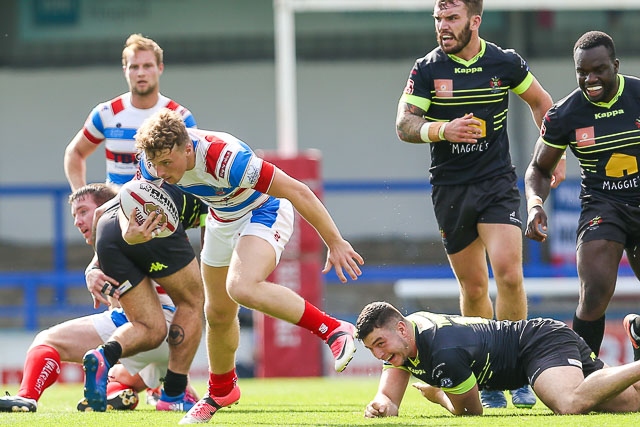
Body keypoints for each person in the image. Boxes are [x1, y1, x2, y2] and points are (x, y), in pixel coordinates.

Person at [133, 108, 364, 424]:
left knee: (241, 287)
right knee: (217, 313)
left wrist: (335, 242)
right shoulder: (151, 162)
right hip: (220, 219)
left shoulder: (227, 158)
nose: (160, 172)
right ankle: (221, 391)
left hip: (262, 211)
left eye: (167, 163)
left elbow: (297, 190)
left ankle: (333, 329)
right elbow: (130, 208)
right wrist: (130, 234)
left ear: (187, 147)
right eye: (155, 164)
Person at [394, 0, 562, 408]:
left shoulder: (504, 62)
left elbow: (544, 104)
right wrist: (442, 129)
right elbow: (404, 124)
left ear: (475, 20)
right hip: (450, 189)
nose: (442, 27)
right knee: (473, 287)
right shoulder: (428, 68)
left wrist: (550, 157)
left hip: (496, 183)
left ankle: (519, 369)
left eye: (451, 19)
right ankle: (486, 375)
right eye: (438, 19)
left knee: (508, 273)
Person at [0, 184, 200, 412]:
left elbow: (75, 154)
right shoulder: (141, 228)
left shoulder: (118, 236)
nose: (77, 221)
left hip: (146, 329)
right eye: (74, 215)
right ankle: (125, 392)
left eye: (83, 211)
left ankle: (27, 396)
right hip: (179, 338)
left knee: (47, 340)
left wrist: (93, 270)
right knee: (120, 375)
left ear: (103, 209)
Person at [524, 30, 640, 361]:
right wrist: (535, 205)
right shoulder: (565, 114)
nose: (590, 79)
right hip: (603, 204)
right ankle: (580, 373)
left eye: (598, 70)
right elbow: (539, 170)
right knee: (595, 291)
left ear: (615, 65)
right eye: (582, 72)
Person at [356, 301, 640, 417]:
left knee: (569, 403)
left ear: (402, 329)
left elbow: (469, 412)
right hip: (540, 340)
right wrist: (381, 405)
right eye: (372, 349)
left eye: (380, 344)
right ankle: (637, 341)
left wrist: (437, 394)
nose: (380, 355)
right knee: (634, 404)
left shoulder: (444, 354)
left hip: (537, 344)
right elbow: (388, 399)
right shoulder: (405, 339)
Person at [79, 180, 206, 412]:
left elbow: (100, 212)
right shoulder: (211, 184)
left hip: (107, 230)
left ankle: (103, 356)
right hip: (149, 232)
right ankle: (174, 396)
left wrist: (94, 266)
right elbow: (209, 247)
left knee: (151, 328)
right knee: (192, 302)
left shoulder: (150, 170)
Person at [63, 33, 196, 192]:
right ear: (125, 70)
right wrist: (81, 198)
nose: (140, 73)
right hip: (116, 211)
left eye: (147, 66)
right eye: (134, 67)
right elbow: (75, 152)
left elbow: (192, 166)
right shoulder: (107, 113)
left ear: (160, 68)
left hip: (163, 211)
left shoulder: (180, 117)